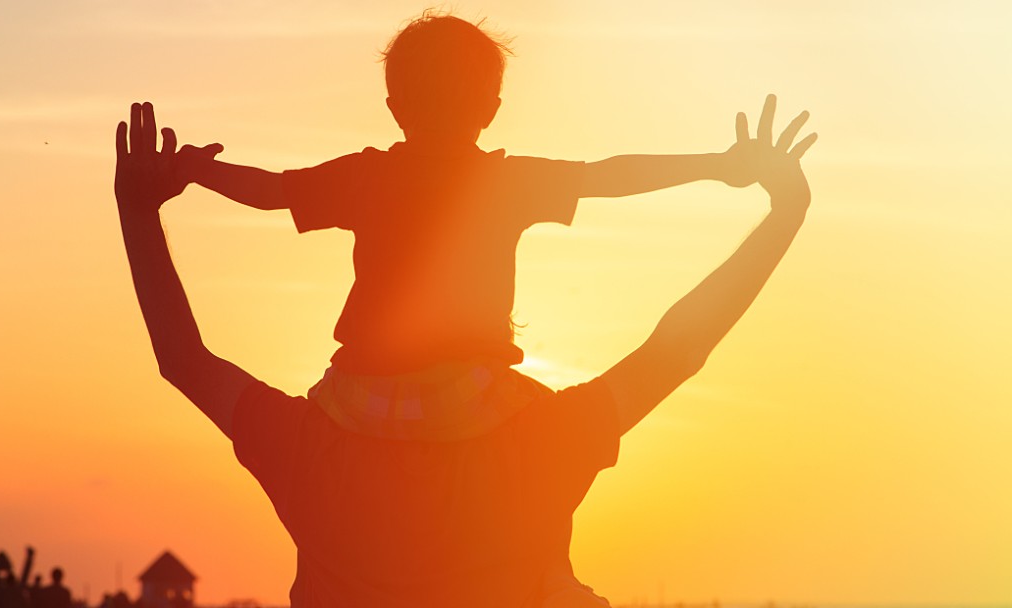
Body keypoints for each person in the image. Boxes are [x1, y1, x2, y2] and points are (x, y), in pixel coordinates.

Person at [112, 92, 815, 607]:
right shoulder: (542, 441)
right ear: (494, 101)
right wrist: (781, 215)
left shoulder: (308, 449)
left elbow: (184, 358)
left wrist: (140, 210)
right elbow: (675, 349)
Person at [171, 13, 766, 442]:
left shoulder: (366, 177)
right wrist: (718, 167)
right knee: (557, 441)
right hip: (472, 400)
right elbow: (610, 176)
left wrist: (200, 171)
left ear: (394, 105)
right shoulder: (506, 183)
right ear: (491, 107)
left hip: (358, 398)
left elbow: (271, 191)